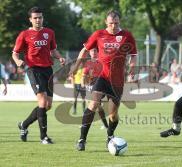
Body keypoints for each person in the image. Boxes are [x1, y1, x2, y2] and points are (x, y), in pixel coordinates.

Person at [69, 10, 137, 151]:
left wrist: (132, 68)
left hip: (117, 81)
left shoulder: (127, 36)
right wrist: (75, 68)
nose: (114, 26)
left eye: (116, 23)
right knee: (93, 104)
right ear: (106, 22)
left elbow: (133, 55)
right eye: (111, 23)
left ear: (120, 22)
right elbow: (84, 51)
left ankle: (110, 135)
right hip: (102, 76)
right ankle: (82, 139)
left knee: (113, 114)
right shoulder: (98, 34)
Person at [12, 6, 65, 144]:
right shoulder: (24, 35)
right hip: (33, 69)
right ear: (30, 19)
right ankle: (44, 137)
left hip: (48, 69)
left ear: (43, 18)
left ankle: (24, 124)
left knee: (47, 106)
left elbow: (53, 50)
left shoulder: (49, 33)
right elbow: (15, 53)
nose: (38, 20)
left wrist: (59, 58)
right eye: (35, 18)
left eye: (40, 17)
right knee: (42, 101)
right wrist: (18, 62)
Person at [82, 48, 108, 129]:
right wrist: (83, 84)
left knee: (95, 106)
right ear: (89, 53)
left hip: (100, 86)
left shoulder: (102, 61)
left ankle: (85, 125)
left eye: (95, 51)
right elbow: (84, 75)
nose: (93, 52)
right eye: (92, 51)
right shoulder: (88, 63)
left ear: (98, 52)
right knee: (92, 106)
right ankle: (104, 125)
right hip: (90, 86)